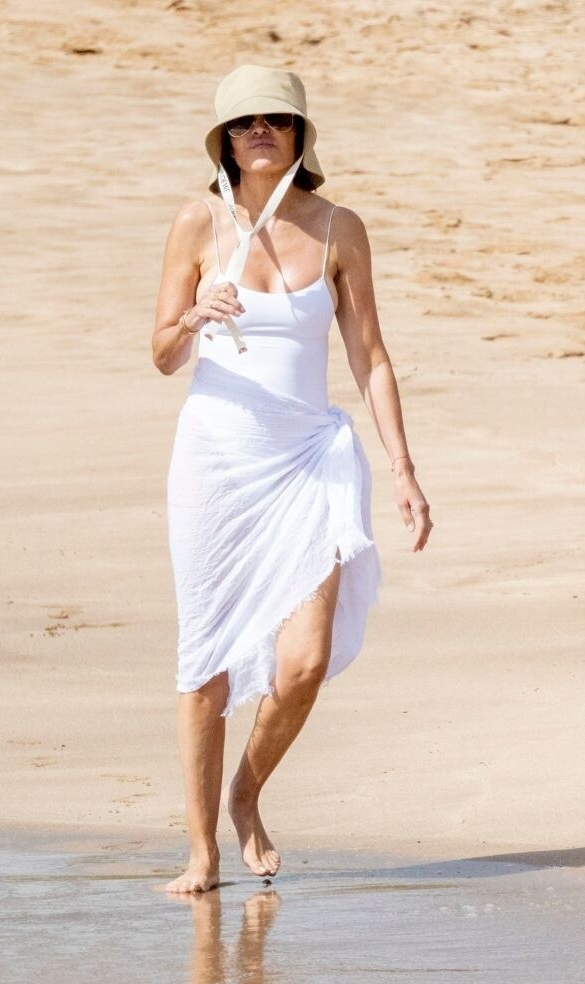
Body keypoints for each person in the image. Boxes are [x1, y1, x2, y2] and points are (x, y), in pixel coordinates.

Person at [151, 65, 432, 894]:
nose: (261, 131)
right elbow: (162, 354)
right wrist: (194, 315)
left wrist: (404, 469)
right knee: (205, 661)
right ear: (224, 140)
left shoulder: (340, 227)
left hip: (309, 457)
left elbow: (371, 356)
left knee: (303, 662)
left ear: (302, 134)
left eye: (277, 119)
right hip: (216, 462)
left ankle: (246, 791)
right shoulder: (198, 222)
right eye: (245, 122)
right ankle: (201, 850)